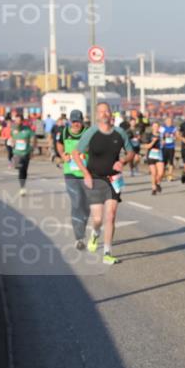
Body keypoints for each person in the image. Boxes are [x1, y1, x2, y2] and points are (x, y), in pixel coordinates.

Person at [74, 102, 136, 265]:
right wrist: (86, 174)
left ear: (111, 114)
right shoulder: (91, 133)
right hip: (95, 178)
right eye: (101, 112)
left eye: (107, 111)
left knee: (111, 215)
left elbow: (131, 152)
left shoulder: (120, 133)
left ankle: (107, 252)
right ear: (97, 115)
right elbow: (76, 153)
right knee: (98, 219)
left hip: (113, 179)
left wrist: (122, 161)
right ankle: (95, 233)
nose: (104, 114)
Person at [56, 110, 90, 248]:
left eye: (78, 121)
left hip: (86, 173)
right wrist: (62, 154)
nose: (76, 124)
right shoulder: (64, 132)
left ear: (82, 121)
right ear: (70, 121)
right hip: (70, 173)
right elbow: (59, 144)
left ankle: (82, 228)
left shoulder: (88, 133)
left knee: (86, 206)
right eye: (74, 121)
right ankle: (79, 238)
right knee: (76, 202)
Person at [9, 112, 35, 196]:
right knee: (20, 168)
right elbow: (11, 138)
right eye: (16, 120)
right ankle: (14, 163)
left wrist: (32, 150)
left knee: (24, 170)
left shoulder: (27, 130)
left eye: (19, 120)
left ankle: (22, 187)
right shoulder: (13, 129)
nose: (17, 122)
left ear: (22, 121)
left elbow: (33, 139)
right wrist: (12, 142)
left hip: (26, 152)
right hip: (17, 152)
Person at [143, 121, 165, 195]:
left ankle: (157, 183)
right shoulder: (148, 135)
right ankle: (153, 188)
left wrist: (163, 143)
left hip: (159, 154)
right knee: (154, 173)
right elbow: (146, 146)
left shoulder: (161, 135)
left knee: (161, 173)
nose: (156, 128)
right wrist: (153, 142)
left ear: (159, 128)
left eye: (157, 126)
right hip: (151, 155)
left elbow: (163, 144)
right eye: (154, 126)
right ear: (152, 127)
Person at [160, 116, 177, 181]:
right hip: (164, 147)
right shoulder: (162, 128)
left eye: (170, 121)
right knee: (163, 162)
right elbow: (160, 136)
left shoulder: (174, 128)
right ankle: (163, 174)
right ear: (165, 122)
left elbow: (176, 137)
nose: (169, 122)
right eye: (168, 121)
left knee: (171, 161)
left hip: (171, 147)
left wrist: (171, 135)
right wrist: (163, 138)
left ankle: (170, 176)